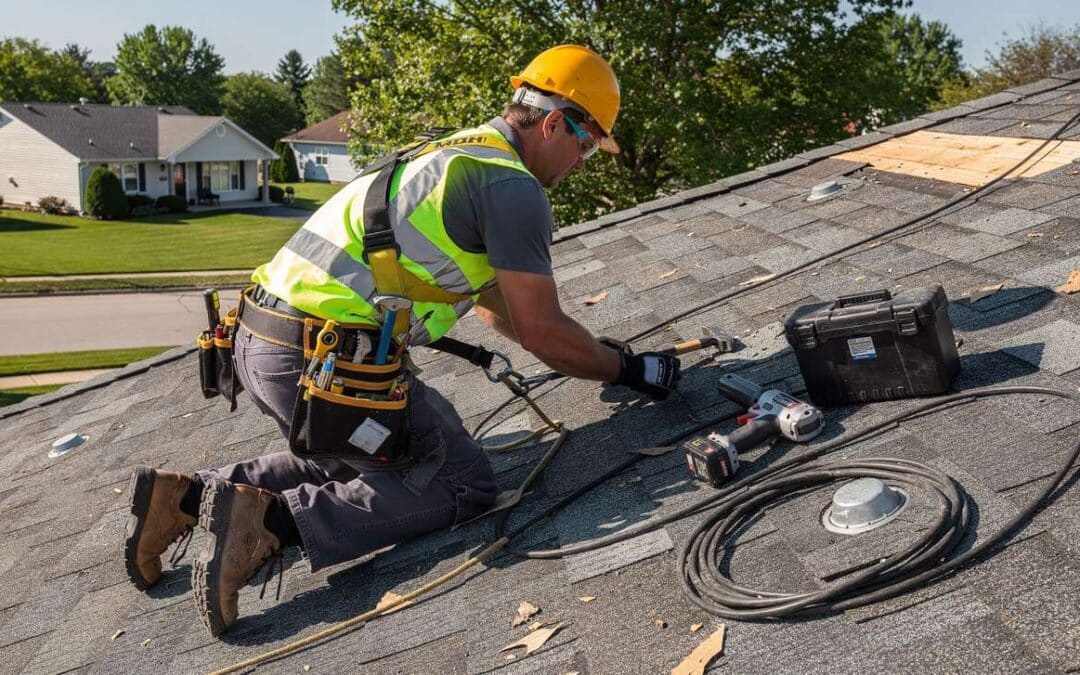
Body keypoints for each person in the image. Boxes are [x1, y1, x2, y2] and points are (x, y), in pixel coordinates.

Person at [122, 44, 681, 637]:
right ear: (551, 123)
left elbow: (502, 314)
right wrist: (628, 372)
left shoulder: (456, 151)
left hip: (262, 342)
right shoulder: (513, 189)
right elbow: (543, 332)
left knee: (358, 455)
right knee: (461, 480)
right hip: (322, 359)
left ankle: (184, 499)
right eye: (588, 144)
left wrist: (596, 353)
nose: (585, 162)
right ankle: (272, 525)